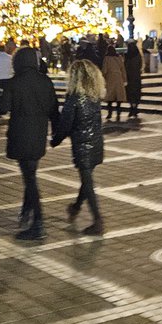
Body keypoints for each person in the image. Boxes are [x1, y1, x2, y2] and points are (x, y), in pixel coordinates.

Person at [6, 47, 59, 240]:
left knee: (30, 179)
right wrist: (56, 135)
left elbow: (1, 108)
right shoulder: (45, 81)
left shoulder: (15, 82)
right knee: (30, 174)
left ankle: (38, 222)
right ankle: (26, 211)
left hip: (20, 136)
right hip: (38, 137)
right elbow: (54, 110)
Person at [51, 59, 105, 236]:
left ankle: (98, 220)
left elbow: (65, 124)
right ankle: (75, 207)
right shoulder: (94, 96)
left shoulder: (74, 98)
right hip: (96, 143)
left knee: (87, 182)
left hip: (82, 145)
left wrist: (55, 140)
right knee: (86, 179)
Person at [101, 43, 127, 122]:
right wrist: (124, 79)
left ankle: (110, 113)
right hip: (119, 78)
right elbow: (123, 68)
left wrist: (103, 76)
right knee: (118, 97)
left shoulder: (107, 58)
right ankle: (118, 113)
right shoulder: (119, 57)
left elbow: (105, 69)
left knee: (110, 97)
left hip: (110, 78)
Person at [0, 39, 15, 117]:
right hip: (8, 79)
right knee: (8, 94)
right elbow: (13, 68)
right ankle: (9, 108)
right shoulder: (10, 58)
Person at [123, 43, 143, 120]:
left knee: (130, 93)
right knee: (136, 93)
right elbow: (140, 65)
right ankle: (135, 108)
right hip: (136, 77)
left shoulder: (127, 56)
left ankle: (132, 108)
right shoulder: (138, 55)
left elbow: (125, 65)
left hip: (129, 77)